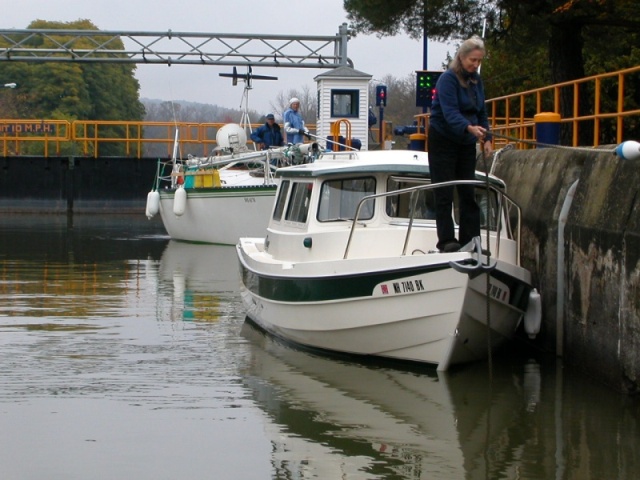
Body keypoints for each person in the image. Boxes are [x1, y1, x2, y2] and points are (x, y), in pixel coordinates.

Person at [427, 35, 493, 253]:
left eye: (479, 61)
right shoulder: (447, 79)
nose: (475, 65)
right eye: (472, 60)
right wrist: (469, 128)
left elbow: (481, 111)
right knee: (444, 192)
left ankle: (471, 241)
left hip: (466, 140)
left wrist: (487, 138)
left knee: (468, 192)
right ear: (462, 57)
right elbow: (450, 112)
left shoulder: (476, 81)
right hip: (443, 139)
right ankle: (446, 241)